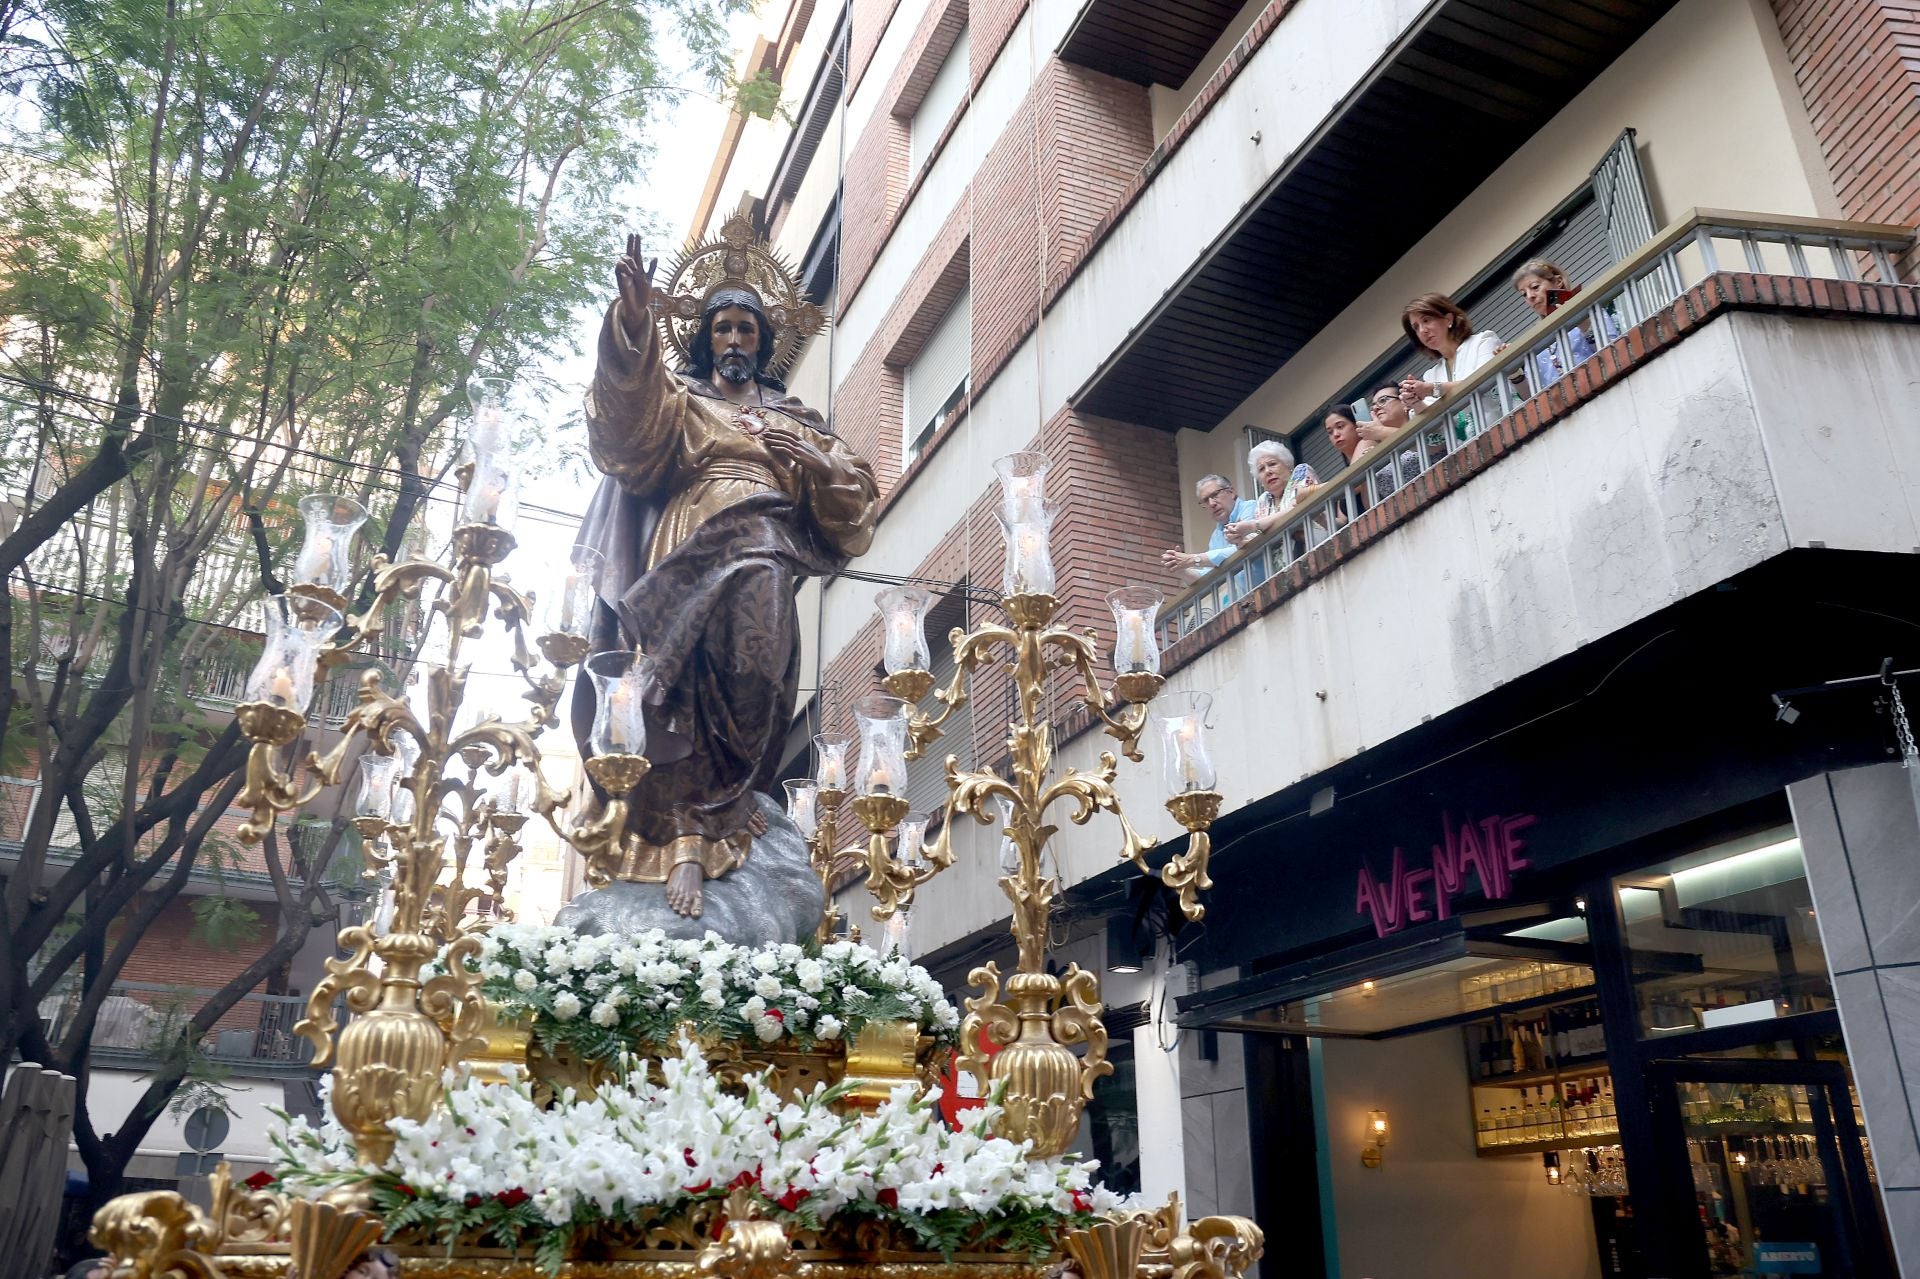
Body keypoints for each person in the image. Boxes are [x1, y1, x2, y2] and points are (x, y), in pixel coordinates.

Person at [571, 226, 878, 930]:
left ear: (764, 342)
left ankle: (721, 814)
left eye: (747, 327)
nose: (734, 339)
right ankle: (683, 835)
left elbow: (855, 499)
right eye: (723, 327)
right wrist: (633, 327)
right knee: (672, 694)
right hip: (685, 553)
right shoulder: (681, 402)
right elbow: (626, 424)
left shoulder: (793, 418)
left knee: (755, 685)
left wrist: (809, 458)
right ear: (705, 339)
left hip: (766, 554)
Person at [1397, 292, 1502, 421]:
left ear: (1448, 319)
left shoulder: (1483, 341)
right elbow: (1437, 423)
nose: (1423, 331)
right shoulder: (1431, 376)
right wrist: (1414, 401)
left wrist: (1432, 388)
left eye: (1426, 320)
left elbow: (1485, 381)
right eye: (1416, 328)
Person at [1513, 258, 1618, 387]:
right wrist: (1514, 373)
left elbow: (1615, 353)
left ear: (1558, 282)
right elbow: (1532, 398)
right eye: (1524, 294)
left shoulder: (1589, 312)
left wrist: (1582, 322)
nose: (1530, 296)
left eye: (1535, 287)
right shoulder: (1534, 340)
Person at [1160, 474, 1254, 581]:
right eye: (1205, 500)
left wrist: (1193, 559)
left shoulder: (1250, 508)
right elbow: (1209, 576)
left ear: (1231, 492)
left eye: (1215, 495)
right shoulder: (1216, 535)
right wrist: (1180, 569)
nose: (1211, 503)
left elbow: (1245, 546)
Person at [1225, 440, 1318, 544]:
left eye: (1272, 464)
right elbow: (1258, 537)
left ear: (1288, 466)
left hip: (1318, 547)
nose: (1267, 471)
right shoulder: (1264, 500)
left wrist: (1254, 525)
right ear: (1260, 480)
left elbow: (1297, 509)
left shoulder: (1301, 472)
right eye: (1261, 469)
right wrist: (1239, 538)